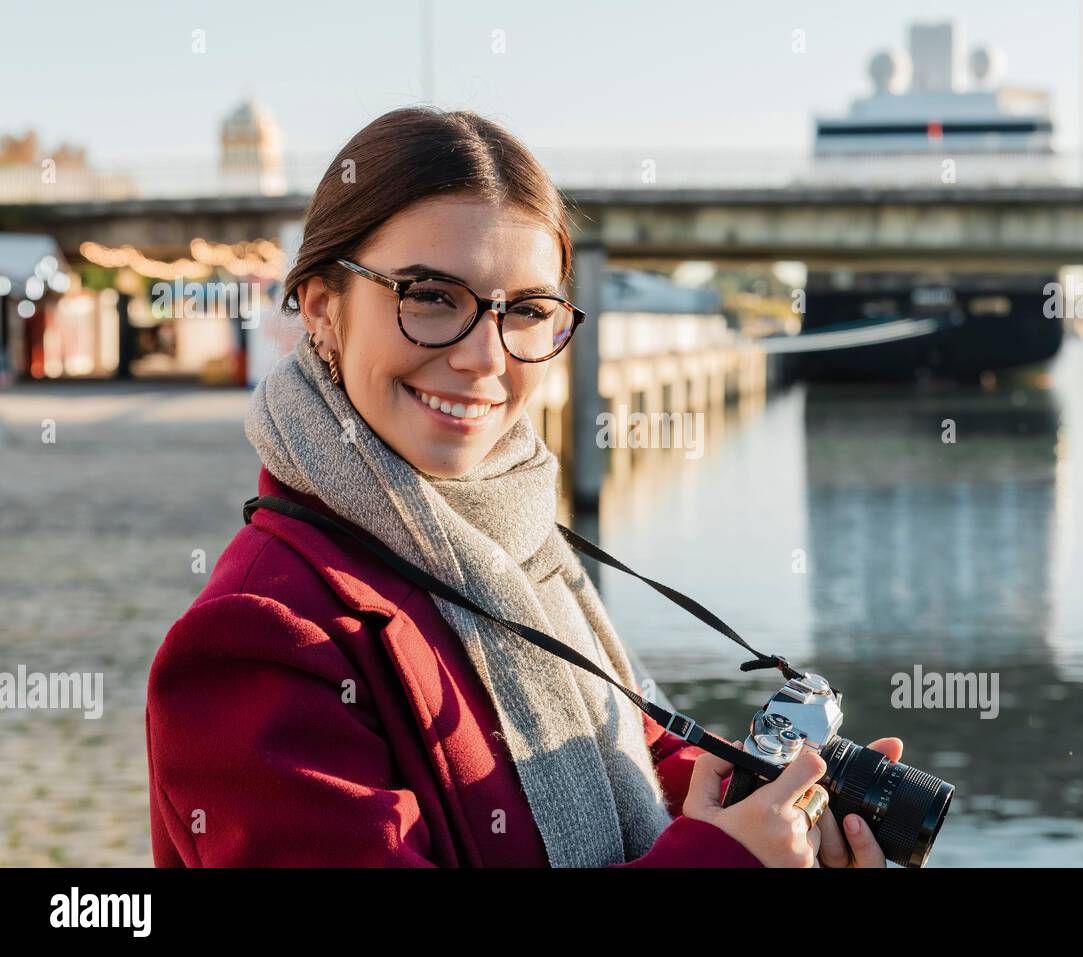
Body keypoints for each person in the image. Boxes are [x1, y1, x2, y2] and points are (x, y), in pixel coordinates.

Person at [144, 106, 903, 868]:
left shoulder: (524, 550)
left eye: (530, 311)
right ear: (321, 310)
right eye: (431, 296)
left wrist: (767, 805)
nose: (485, 358)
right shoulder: (261, 636)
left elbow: (626, 765)